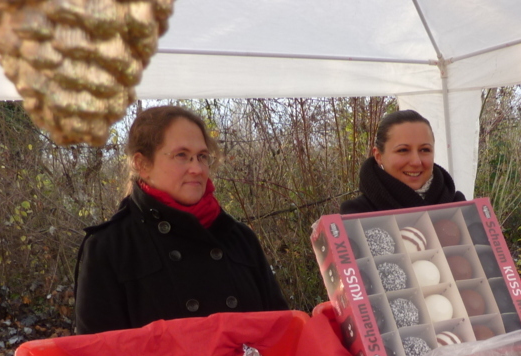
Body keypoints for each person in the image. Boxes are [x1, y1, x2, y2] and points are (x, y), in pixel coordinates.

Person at [74, 105, 288, 334]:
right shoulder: (109, 247)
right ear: (142, 164)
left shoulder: (240, 239)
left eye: (202, 156)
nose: (196, 168)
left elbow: (281, 334)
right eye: (181, 156)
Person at [340, 110, 466, 215]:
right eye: (403, 150)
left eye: (424, 150)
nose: (416, 161)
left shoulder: (459, 207)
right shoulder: (356, 214)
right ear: (378, 156)